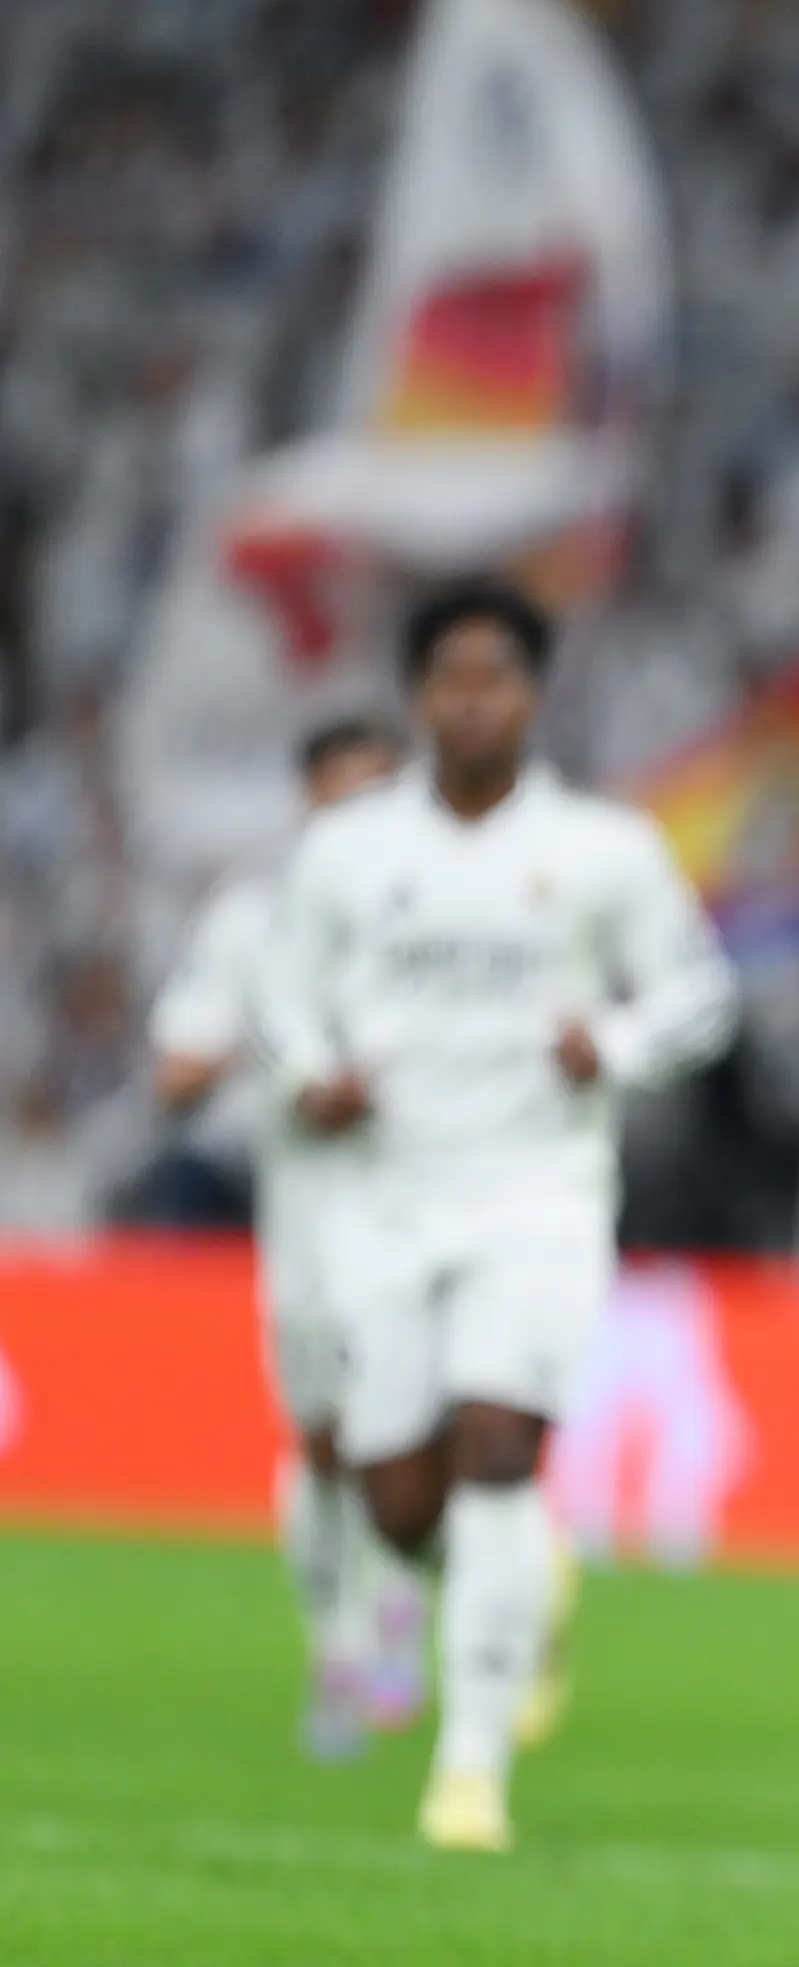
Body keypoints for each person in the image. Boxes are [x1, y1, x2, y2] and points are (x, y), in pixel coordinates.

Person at [259, 577, 739, 1852]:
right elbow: (280, 991)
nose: (473, 702)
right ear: (419, 696)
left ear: (534, 695)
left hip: (538, 1195)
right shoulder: (351, 851)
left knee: (498, 1445)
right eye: (451, 679)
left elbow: (699, 994)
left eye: (497, 678)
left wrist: (614, 1046)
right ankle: (531, 1573)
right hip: (384, 1199)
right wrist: (313, 1074)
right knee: (400, 1504)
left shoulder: (602, 849)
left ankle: (469, 1774)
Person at [149, 714, 424, 1757]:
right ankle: (337, 1646)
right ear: (308, 804)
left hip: (424, 1211)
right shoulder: (252, 922)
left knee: (415, 1422)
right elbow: (178, 1070)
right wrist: (260, 1050)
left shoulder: (442, 916)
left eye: (380, 795)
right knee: (324, 1441)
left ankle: (395, 1599)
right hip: (309, 1221)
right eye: (342, 795)